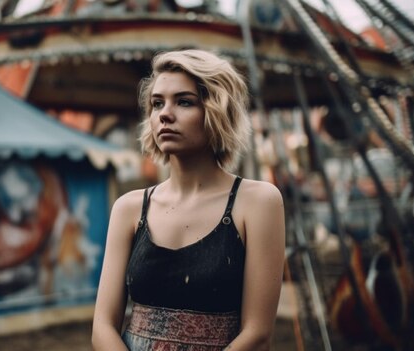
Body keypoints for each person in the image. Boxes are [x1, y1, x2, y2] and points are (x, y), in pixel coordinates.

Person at [92, 49, 285, 350]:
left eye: (184, 101)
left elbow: (258, 333)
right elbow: (102, 325)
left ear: (217, 111)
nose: (165, 114)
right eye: (157, 104)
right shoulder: (129, 208)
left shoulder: (257, 202)